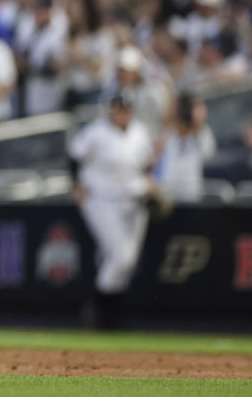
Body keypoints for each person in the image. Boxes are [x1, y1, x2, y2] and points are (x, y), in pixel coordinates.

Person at [69, 89, 156, 329]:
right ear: (110, 109)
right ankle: (99, 308)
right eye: (118, 108)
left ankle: (110, 316)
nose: (122, 112)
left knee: (126, 261)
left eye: (126, 108)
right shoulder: (96, 132)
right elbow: (74, 158)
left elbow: (147, 165)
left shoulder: (140, 132)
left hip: (135, 200)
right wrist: (76, 186)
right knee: (121, 257)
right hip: (101, 198)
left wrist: (150, 182)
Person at [156, 93, 216, 203]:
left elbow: (208, 153)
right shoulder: (168, 133)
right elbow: (155, 157)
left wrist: (197, 121)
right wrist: (171, 119)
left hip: (190, 193)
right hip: (168, 193)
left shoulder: (202, 132)